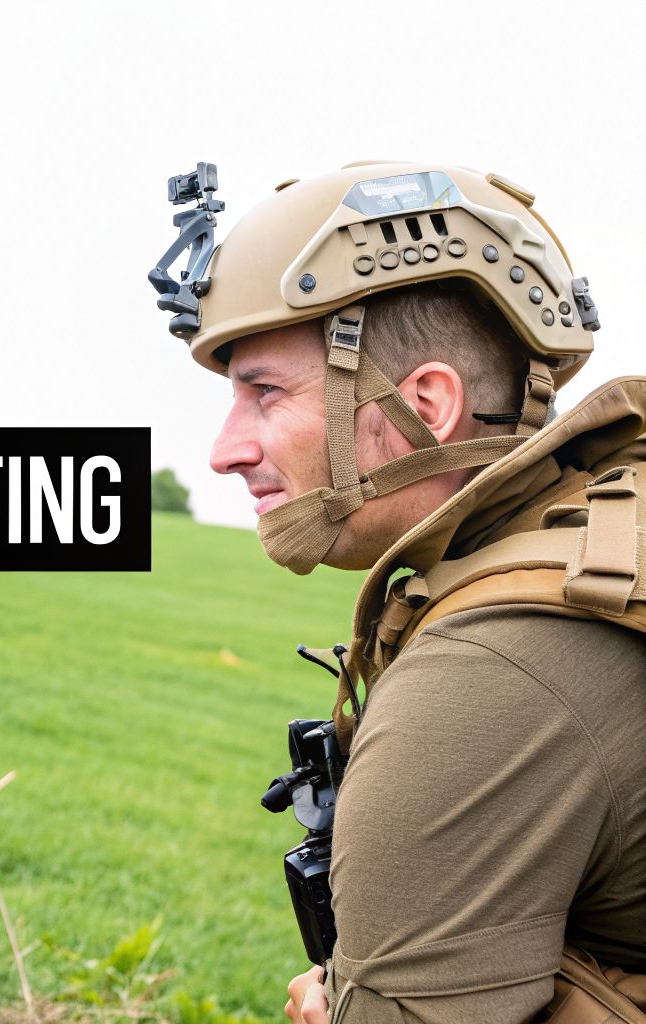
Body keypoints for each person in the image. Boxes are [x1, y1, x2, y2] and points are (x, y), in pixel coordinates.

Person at [154, 162, 646, 1023]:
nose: (226, 451)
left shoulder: (489, 674)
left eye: (265, 393)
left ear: (427, 402)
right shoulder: (616, 520)